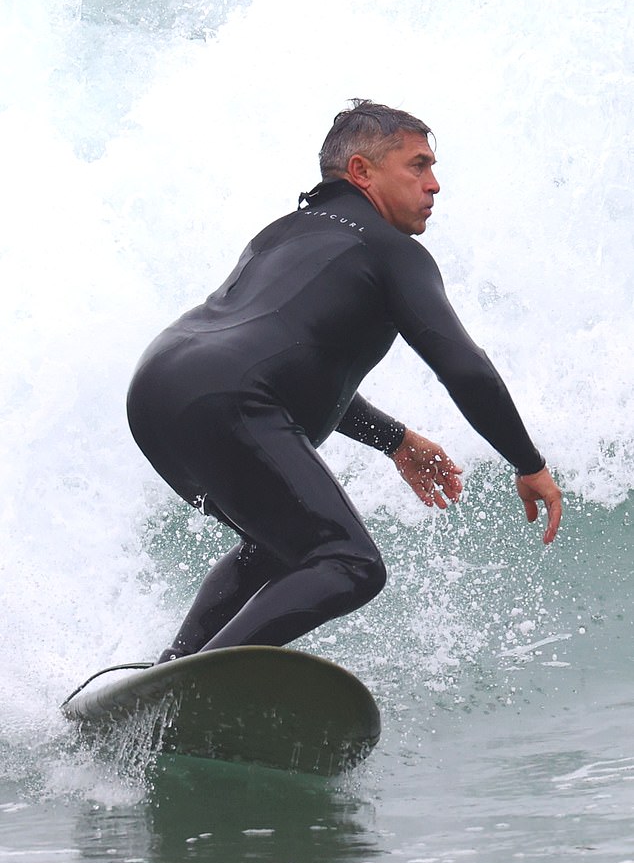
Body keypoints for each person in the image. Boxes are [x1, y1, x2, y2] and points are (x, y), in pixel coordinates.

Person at [126, 99, 562, 664]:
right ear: (361, 172)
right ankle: (189, 687)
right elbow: (464, 366)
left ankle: (173, 670)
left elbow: (285, 361)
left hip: (158, 386)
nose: (434, 186)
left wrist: (396, 440)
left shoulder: (281, 233)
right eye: (417, 166)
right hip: (229, 393)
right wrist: (529, 464)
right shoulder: (392, 251)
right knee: (350, 563)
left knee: (282, 546)